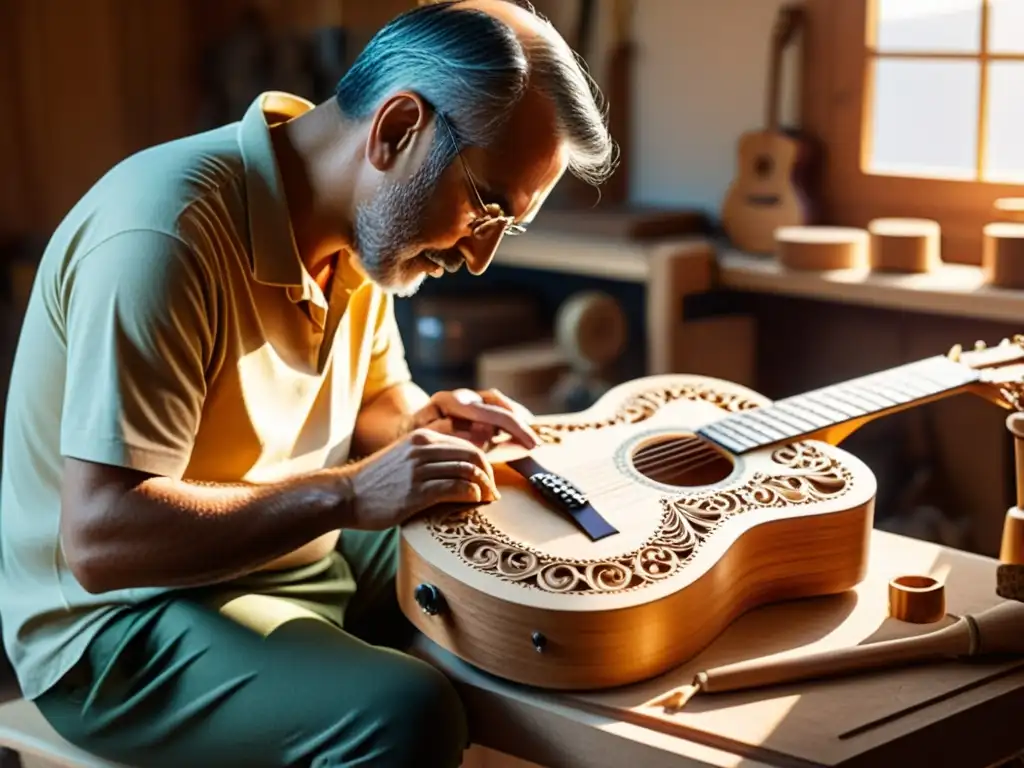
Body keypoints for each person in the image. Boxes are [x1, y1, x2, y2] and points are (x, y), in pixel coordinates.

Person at [0, 1, 615, 766]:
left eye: (505, 228)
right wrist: (351, 496)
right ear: (396, 131)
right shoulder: (163, 233)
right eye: (486, 209)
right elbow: (102, 540)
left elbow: (375, 409)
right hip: (119, 626)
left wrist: (428, 427)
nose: (481, 256)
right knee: (406, 715)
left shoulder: (361, 231)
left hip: (293, 552)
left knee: (519, 571)